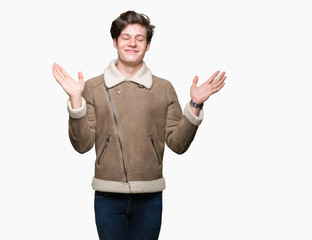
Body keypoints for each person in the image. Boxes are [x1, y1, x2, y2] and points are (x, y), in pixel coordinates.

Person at [52, 10, 226, 240]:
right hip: (108, 195)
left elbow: (178, 144)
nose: (132, 43)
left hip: (150, 195)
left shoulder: (163, 88)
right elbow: (82, 145)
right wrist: (75, 99)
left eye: (139, 38)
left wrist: (195, 104)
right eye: (125, 37)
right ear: (114, 42)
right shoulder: (92, 87)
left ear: (148, 45)